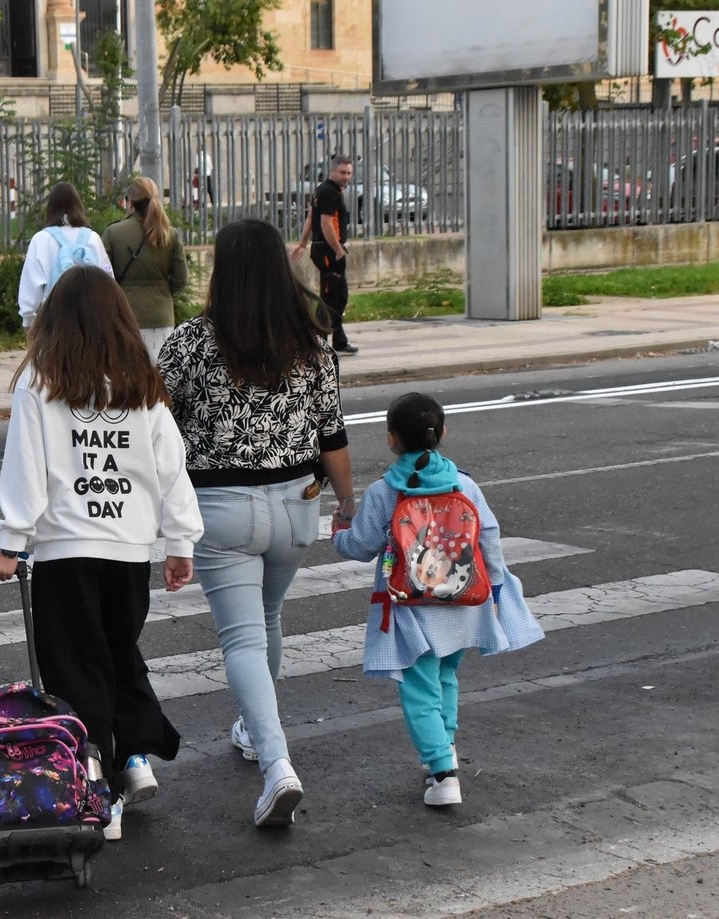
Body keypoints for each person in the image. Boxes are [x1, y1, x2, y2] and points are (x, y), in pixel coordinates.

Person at [0, 266, 203, 842]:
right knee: (117, 650)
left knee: (74, 666)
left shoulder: (40, 379)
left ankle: (99, 788)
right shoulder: (142, 382)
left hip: (64, 549)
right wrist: (179, 542)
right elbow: (170, 467)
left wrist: (12, 542)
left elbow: (26, 467)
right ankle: (134, 756)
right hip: (128, 549)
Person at [157, 218, 354, 829]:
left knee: (241, 638)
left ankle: (277, 766)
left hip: (221, 510)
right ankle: (251, 730)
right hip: (297, 506)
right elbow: (333, 434)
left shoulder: (190, 342)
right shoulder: (312, 342)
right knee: (268, 620)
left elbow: (154, 427)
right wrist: (347, 504)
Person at [331, 392, 544, 807]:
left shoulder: (384, 492)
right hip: (466, 602)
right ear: (443, 432)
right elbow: (489, 538)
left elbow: (361, 545)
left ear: (391, 438)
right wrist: (497, 590)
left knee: (417, 687)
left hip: (413, 607)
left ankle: (444, 774)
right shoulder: (465, 484)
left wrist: (338, 532)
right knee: (446, 677)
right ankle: (443, 752)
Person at [101, 176, 188, 361]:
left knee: (130, 380)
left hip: (126, 317)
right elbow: (181, 279)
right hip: (162, 317)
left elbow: (104, 277)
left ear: (129, 201)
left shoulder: (113, 233)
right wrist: (162, 291)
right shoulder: (169, 234)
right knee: (162, 379)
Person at [17, 182, 113, 329]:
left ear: (50, 208)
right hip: (91, 321)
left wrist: (28, 321)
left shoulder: (41, 239)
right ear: (78, 206)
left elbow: (30, 286)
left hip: (54, 322)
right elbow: (108, 282)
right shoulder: (93, 238)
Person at [293, 155, 358, 355]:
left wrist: (303, 243)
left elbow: (310, 217)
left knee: (331, 296)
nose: (346, 177)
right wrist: (338, 249)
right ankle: (318, 340)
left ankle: (337, 340)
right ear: (332, 171)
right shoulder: (330, 192)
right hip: (330, 251)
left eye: (349, 173)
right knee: (336, 297)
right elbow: (325, 223)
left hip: (323, 249)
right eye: (343, 172)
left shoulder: (322, 191)